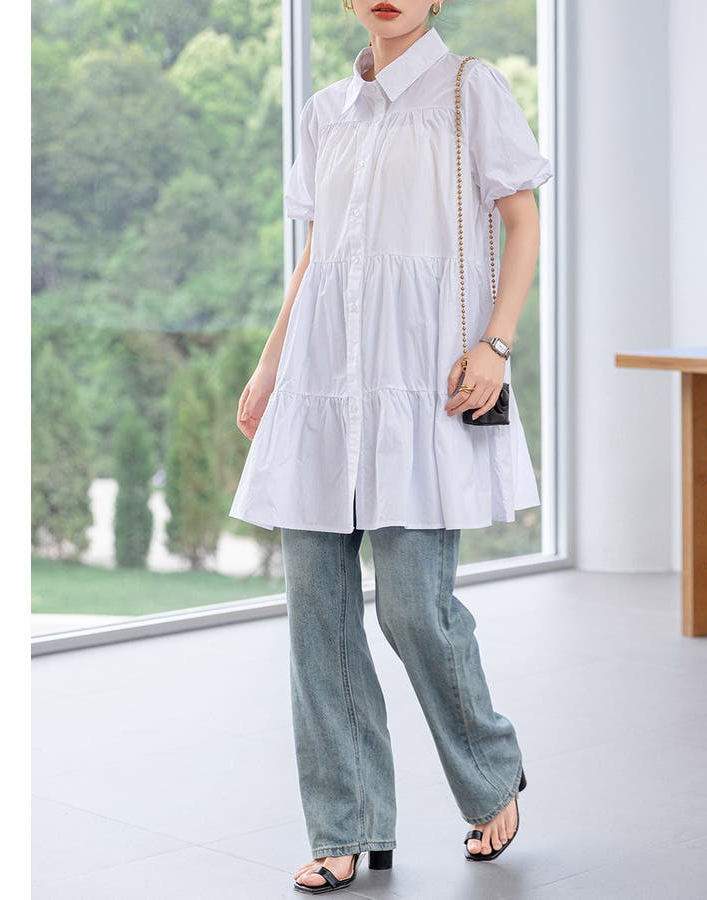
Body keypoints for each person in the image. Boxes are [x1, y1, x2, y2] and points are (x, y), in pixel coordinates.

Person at [229, 0, 553, 892]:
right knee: (317, 622)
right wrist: (270, 364)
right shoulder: (325, 112)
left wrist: (496, 344)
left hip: (422, 384)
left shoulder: (469, 90)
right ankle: (347, 825)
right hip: (321, 386)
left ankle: (490, 770)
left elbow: (521, 221)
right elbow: (315, 256)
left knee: (414, 607)